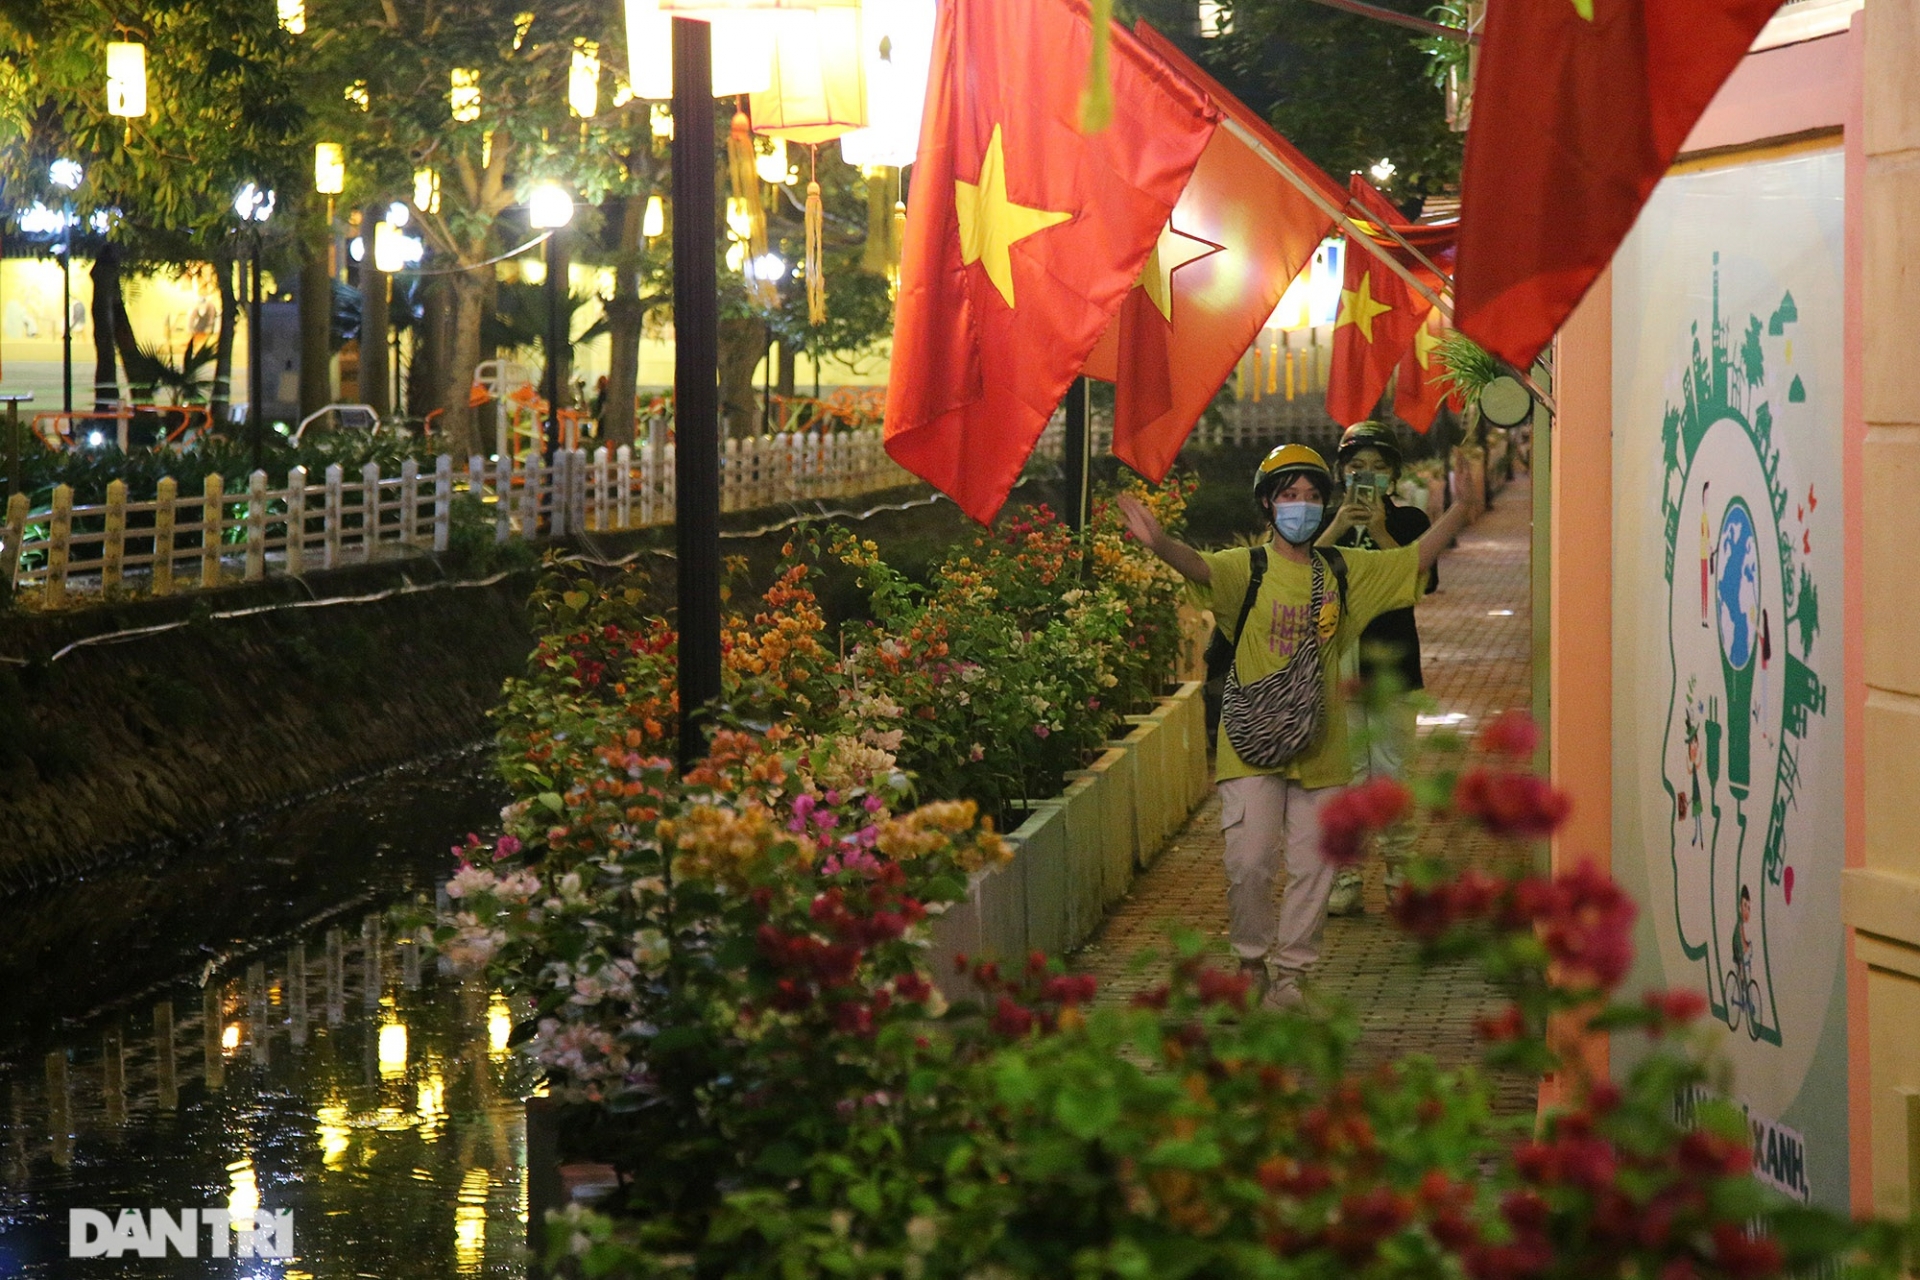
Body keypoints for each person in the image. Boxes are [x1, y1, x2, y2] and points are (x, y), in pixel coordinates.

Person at [1117, 445, 1469, 1010]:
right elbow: (1199, 566)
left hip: (1322, 747)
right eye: (1289, 496)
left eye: (1310, 496)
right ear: (1267, 503)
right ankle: (1250, 963)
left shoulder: (1342, 573)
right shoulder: (1246, 569)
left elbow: (1412, 560)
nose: (1300, 507)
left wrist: (1461, 505)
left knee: (1314, 870)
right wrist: (1159, 545)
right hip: (1251, 743)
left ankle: (1291, 979)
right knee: (1249, 863)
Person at [1319, 422, 1434, 916]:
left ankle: (1399, 873)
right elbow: (1297, 579)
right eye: (1356, 467)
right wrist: (1340, 526)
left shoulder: (1410, 522)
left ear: (1393, 476)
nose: (1366, 476)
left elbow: (1419, 585)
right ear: (1341, 473)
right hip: (1336, 667)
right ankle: (1345, 875)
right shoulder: (1325, 522)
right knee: (1344, 774)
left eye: (1378, 468)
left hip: (1393, 665)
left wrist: (1382, 531)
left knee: (1393, 772)